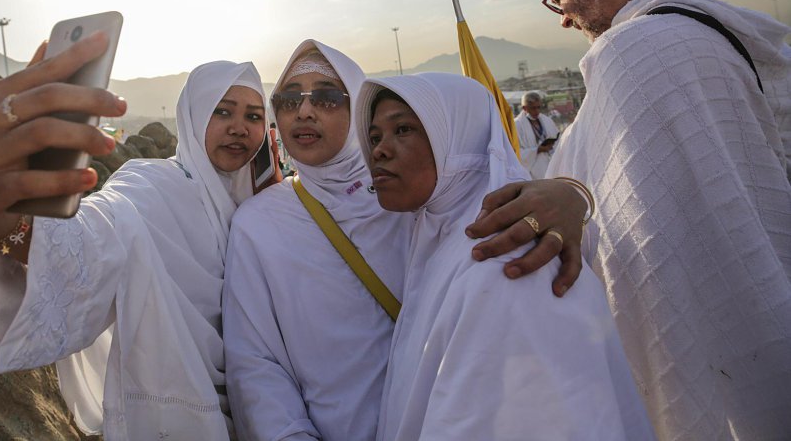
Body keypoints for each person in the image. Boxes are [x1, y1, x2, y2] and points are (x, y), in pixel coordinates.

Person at [222, 40, 591, 441]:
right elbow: (256, 362)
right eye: (289, 100)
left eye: (327, 98)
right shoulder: (259, 224)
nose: (305, 111)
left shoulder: (413, 196)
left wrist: (572, 195)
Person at [540, 0, 791, 439]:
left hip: (725, 365)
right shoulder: (729, 35)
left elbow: (658, 254)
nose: (563, 20)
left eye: (557, 0)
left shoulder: (638, 50)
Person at [0, 33, 269, 441]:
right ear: (193, 116)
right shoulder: (152, 185)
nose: (239, 128)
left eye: (254, 117)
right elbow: (94, 237)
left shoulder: (258, 203)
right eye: (223, 112)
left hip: (263, 415)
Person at [358, 73, 653, 441]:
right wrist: (573, 194)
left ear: (459, 137)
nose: (380, 150)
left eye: (402, 129)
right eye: (374, 137)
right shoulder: (434, 236)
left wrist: (573, 196)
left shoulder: (505, 265)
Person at [514, 90, 559, 178]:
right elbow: (515, 152)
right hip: (532, 170)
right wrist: (537, 150)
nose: (537, 111)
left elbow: (558, 140)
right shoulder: (517, 125)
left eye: (539, 107)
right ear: (524, 108)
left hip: (551, 164)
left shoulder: (547, 120)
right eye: (533, 108)